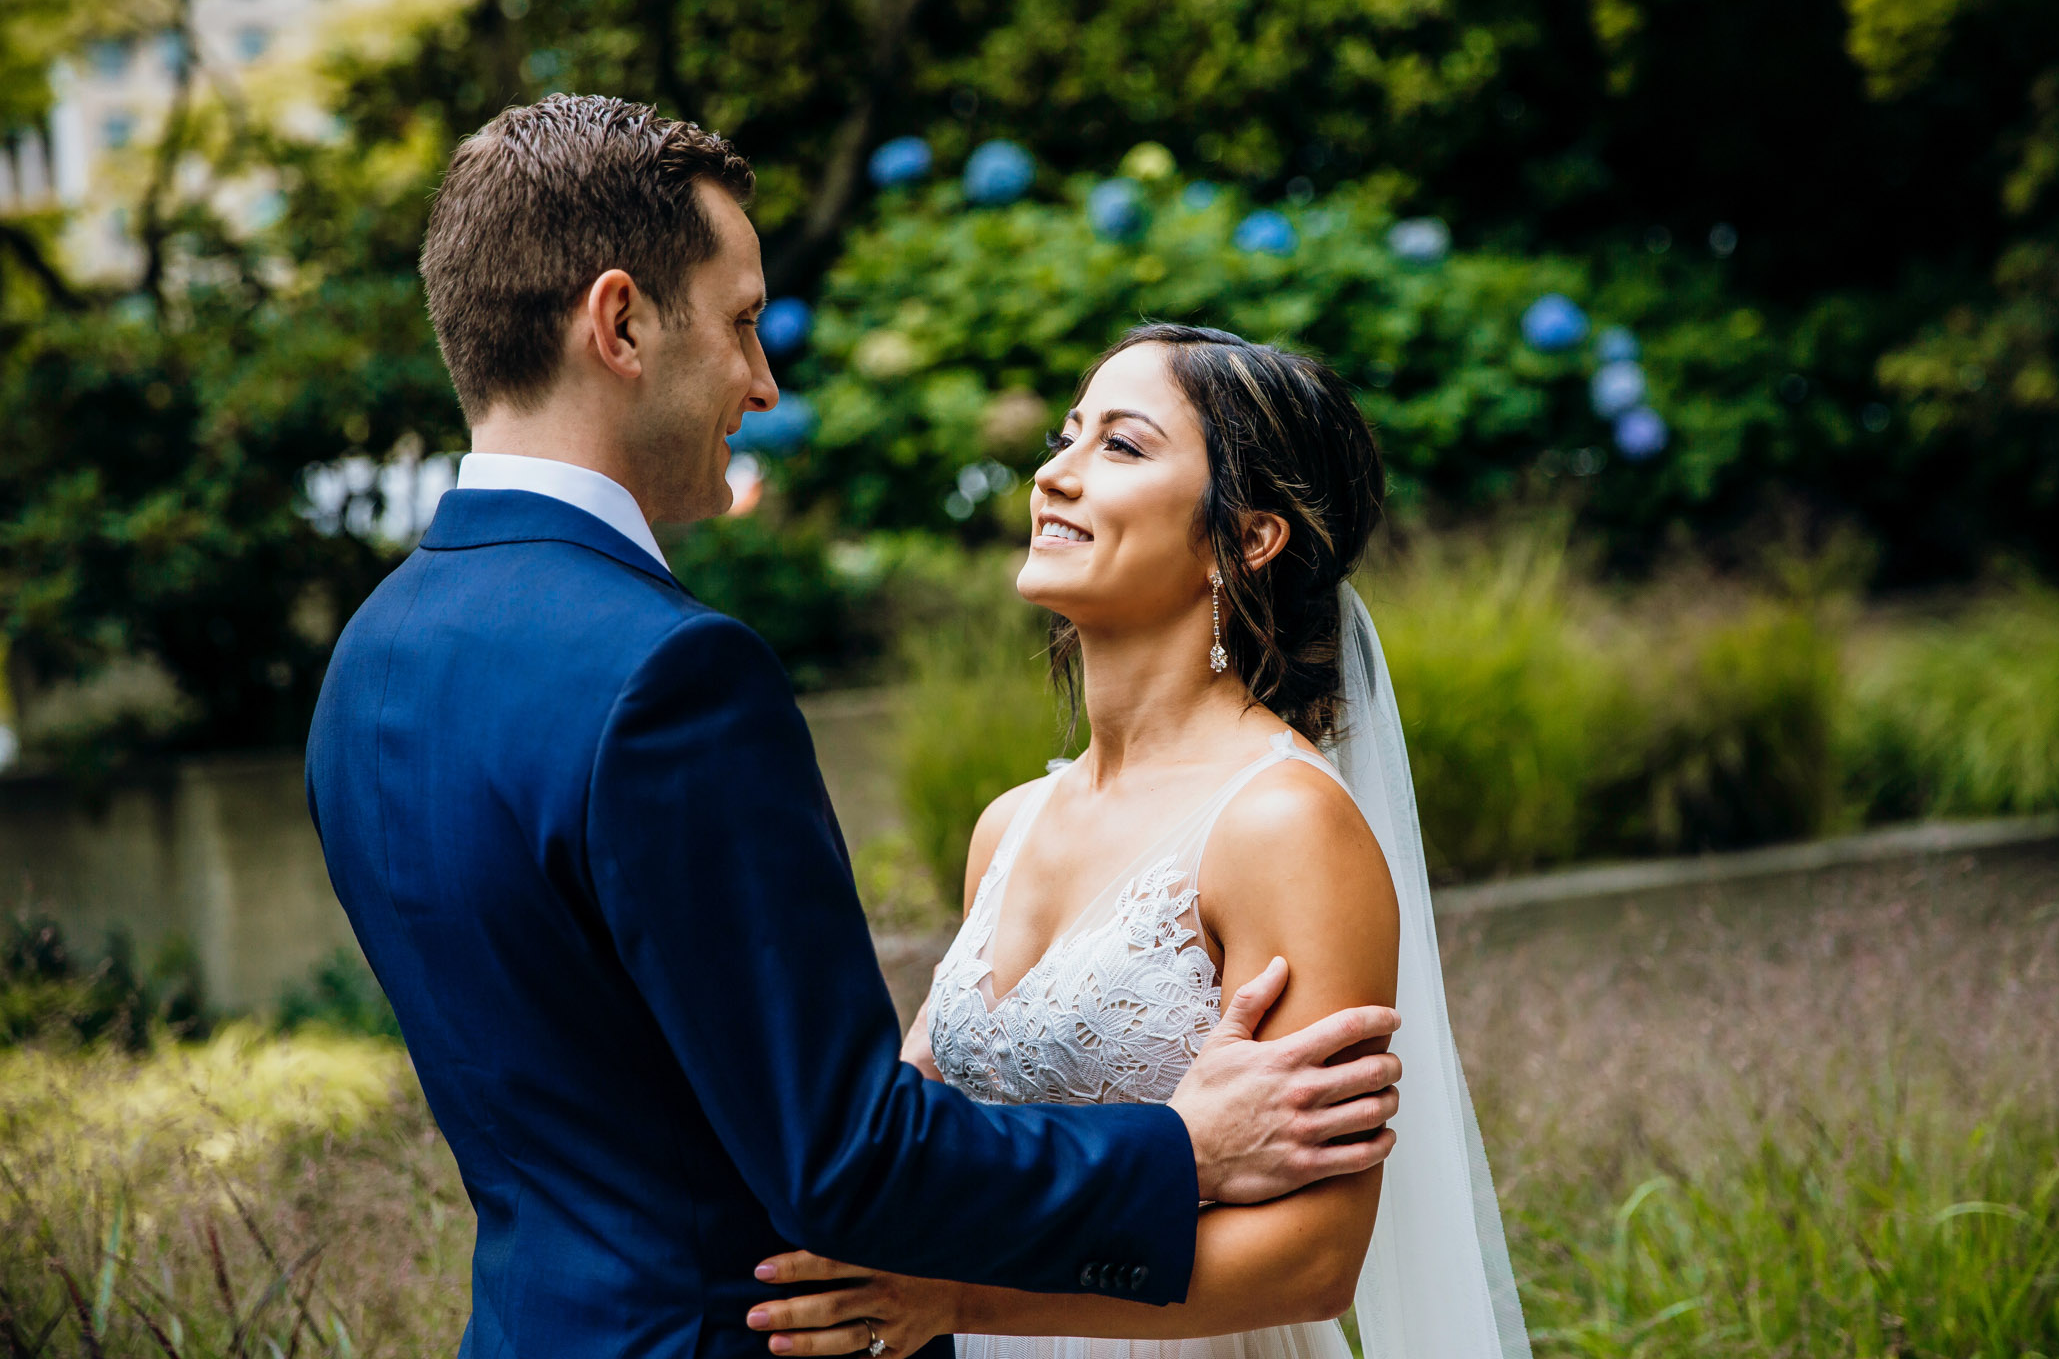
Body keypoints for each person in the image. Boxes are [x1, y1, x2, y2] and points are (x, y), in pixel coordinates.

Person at [304, 98, 1407, 1359]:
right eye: (739, 325)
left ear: (1249, 535)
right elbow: (843, 1151)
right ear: (618, 323)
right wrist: (1181, 1147)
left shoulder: (371, 664)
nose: (763, 382)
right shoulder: (671, 678)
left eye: (1119, 443)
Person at [741, 327, 1532, 1359]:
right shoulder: (1010, 825)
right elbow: (925, 1137)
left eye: (1120, 446)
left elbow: (1313, 1260)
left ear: (1247, 539)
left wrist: (957, 1300)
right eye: (1067, 437)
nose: (1053, 475)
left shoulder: (1283, 825)